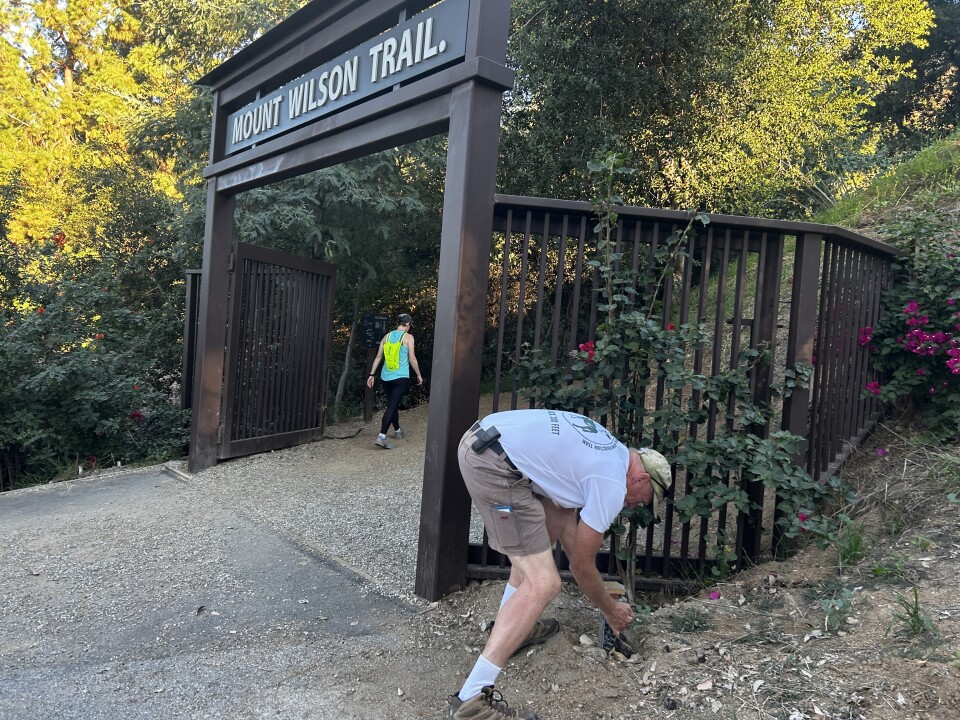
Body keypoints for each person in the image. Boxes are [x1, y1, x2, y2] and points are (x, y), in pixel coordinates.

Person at [447, 408, 673, 720]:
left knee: (537, 546)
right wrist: (610, 610)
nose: (634, 505)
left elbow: (566, 525)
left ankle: (513, 630)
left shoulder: (609, 450)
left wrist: (600, 593)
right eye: (644, 498)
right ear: (641, 478)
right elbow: (580, 564)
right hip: (494, 465)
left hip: (486, 443)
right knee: (545, 583)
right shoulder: (611, 482)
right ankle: (470, 701)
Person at [366, 313, 423, 449]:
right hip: (400, 377)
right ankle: (382, 436)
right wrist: (419, 375)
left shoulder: (387, 336)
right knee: (392, 406)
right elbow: (412, 358)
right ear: (408, 324)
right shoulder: (408, 337)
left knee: (393, 404)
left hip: (386, 377)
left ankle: (397, 431)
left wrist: (372, 374)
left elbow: (379, 356)